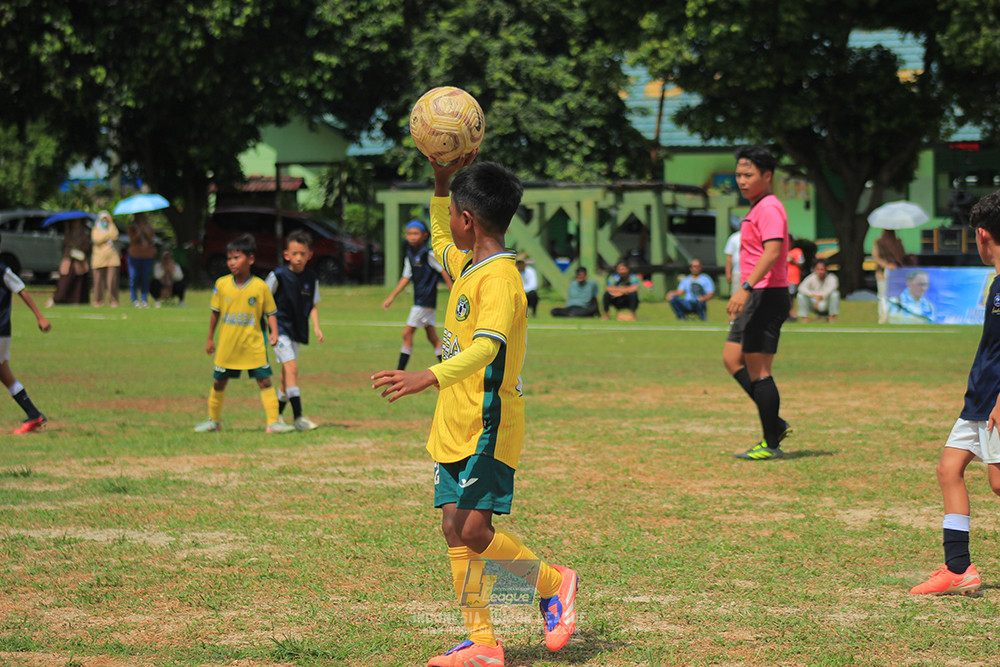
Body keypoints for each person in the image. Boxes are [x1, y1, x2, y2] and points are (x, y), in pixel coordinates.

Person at [372, 154, 578, 667]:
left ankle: (554, 584)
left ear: (472, 220)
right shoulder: (468, 263)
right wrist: (442, 185)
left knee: (474, 531)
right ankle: (483, 643)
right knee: (452, 527)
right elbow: (442, 236)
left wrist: (427, 374)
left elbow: (487, 348)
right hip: (454, 420)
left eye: (455, 214)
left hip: (490, 423)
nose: (448, 230)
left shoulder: (503, 280)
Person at [909, 189, 1000, 596]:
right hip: (979, 399)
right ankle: (958, 567)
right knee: (949, 469)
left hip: (996, 399)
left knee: (999, 483)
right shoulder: (997, 283)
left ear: (981, 235)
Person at [723, 146, 793, 461]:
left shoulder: (768, 207)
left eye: (748, 175)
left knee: (759, 370)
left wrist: (746, 287)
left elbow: (773, 251)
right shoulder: (757, 207)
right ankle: (773, 421)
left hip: (765, 293)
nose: (741, 180)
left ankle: (770, 443)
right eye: (738, 174)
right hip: (757, 294)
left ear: (767, 176)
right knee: (731, 358)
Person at [194, 234, 294, 434]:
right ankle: (213, 421)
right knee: (218, 381)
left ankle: (273, 423)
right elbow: (215, 314)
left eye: (236, 257)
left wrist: (274, 332)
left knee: (264, 381)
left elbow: (271, 313)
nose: (231, 262)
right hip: (228, 346)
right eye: (229, 258)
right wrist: (209, 338)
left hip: (253, 344)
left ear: (250, 259)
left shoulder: (260, 287)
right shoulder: (221, 284)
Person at [266, 230, 325, 431]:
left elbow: (313, 305)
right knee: (291, 368)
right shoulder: (278, 276)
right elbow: (263, 300)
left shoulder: (311, 277)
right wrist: (268, 328)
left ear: (310, 255)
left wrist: (316, 326)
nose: (298, 257)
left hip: (297, 331)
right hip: (279, 329)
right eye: (294, 253)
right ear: (286, 255)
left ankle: (275, 419)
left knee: (285, 377)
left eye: (303, 253)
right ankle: (298, 417)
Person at [382, 220, 453, 370]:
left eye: (415, 233)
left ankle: (399, 372)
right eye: (409, 233)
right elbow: (406, 277)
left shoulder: (429, 254)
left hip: (424, 301)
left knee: (406, 333)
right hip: (420, 300)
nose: (412, 237)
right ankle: (448, 370)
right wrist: (391, 297)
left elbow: (443, 271)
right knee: (432, 338)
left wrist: (453, 290)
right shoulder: (410, 254)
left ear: (425, 235)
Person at [0, 232, 51, 434]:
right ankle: (34, 414)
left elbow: (21, 289)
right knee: (5, 375)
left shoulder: (2, 270)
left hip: (0, 330)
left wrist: (39, 316)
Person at [47, 217, 91, 306]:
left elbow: (87, 244)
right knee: (64, 282)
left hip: (79, 261)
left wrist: (79, 246)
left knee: (79, 283)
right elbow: (65, 243)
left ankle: (77, 301)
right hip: (69, 260)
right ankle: (57, 299)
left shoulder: (84, 233)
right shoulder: (68, 232)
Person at [873, 229, 910, 323]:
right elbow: (876, 257)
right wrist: (886, 265)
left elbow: (902, 256)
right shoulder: (878, 242)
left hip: (896, 272)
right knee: (883, 295)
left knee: (895, 295)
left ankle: (894, 316)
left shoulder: (898, 242)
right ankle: (883, 317)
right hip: (883, 272)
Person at [90, 211, 120, 307]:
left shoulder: (112, 228)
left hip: (112, 258)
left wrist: (111, 225)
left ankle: (113, 300)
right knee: (98, 281)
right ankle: (98, 301)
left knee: (112, 281)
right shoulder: (96, 229)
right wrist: (107, 235)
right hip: (99, 259)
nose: (105, 221)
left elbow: (114, 235)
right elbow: (97, 239)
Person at [126, 212, 156, 308]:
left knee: (145, 278)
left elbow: (151, 238)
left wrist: (145, 230)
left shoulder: (149, 227)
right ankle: (134, 299)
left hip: (147, 255)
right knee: (134, 277)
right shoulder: (132, 227)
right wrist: (139, 232)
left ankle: (144, 299)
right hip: (134, 255)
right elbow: (132, 239)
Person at [786, 240, 804, 321]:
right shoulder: (780, 250)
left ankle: (791, 313)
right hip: (782, 278)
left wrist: (792, 260)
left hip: (793, 277)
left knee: (790, 296)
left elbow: (801, 263)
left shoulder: (797, 251)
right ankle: (787, 313)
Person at [724, 227, 741, 296]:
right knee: (736, 295)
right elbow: (729, 257)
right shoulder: (734, 237)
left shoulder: (755, 236)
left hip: (752, 272)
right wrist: (728, 273)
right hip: (737, 272)